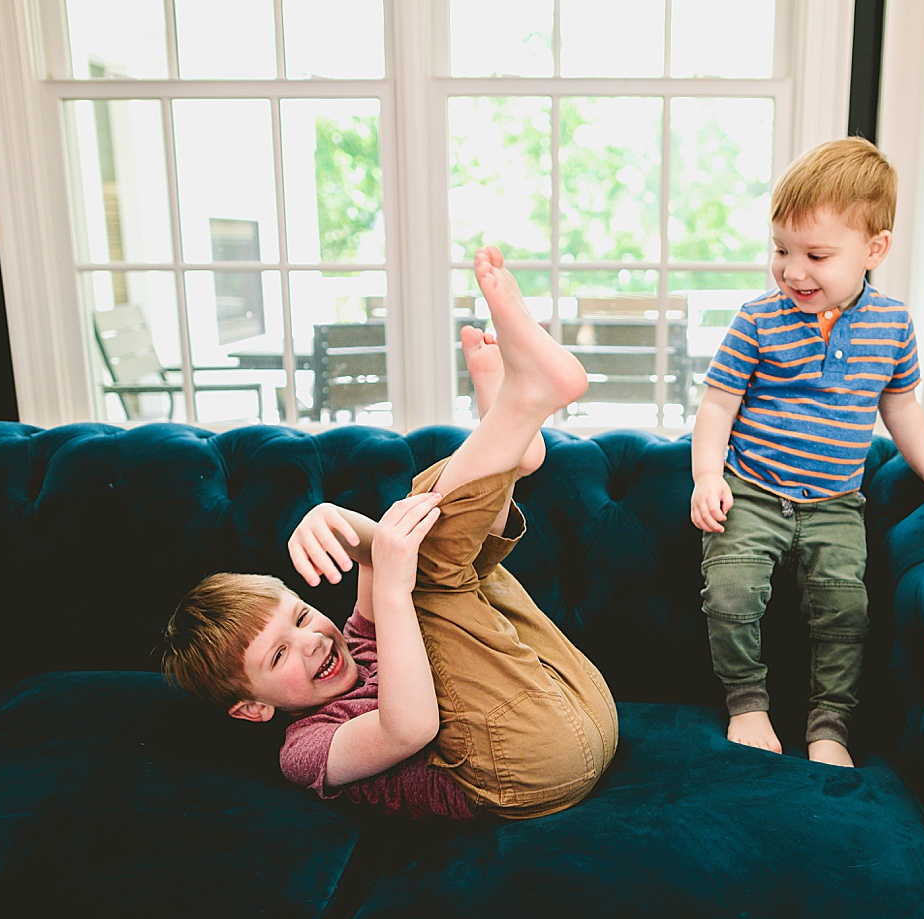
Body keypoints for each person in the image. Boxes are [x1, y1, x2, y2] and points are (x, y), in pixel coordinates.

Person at [160, 246, 618, 820]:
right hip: (530, 768)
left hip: (585, 703)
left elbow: (377, 555)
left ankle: (512, 429)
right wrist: (397, 591)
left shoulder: (357, 642)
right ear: (252, 708)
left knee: (439, 562)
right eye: (278, 656)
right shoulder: (306, 750)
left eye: (301, 616)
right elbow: (410, 727)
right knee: (422, 574)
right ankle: (514, 422)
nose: (312, 642)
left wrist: (327, 516)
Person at [690, 137, 924, 767]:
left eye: (816, 255)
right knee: (730, 593)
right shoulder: (757, 320)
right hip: (750, 489)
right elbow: (717, 405)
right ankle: (747, 704)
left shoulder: (892, 325)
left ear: (873, 250)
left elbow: (901, 404)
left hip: (834, 502)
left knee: (844, 609)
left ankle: (831, 726)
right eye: (781, 250)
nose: (792, 271)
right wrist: (705, 479)